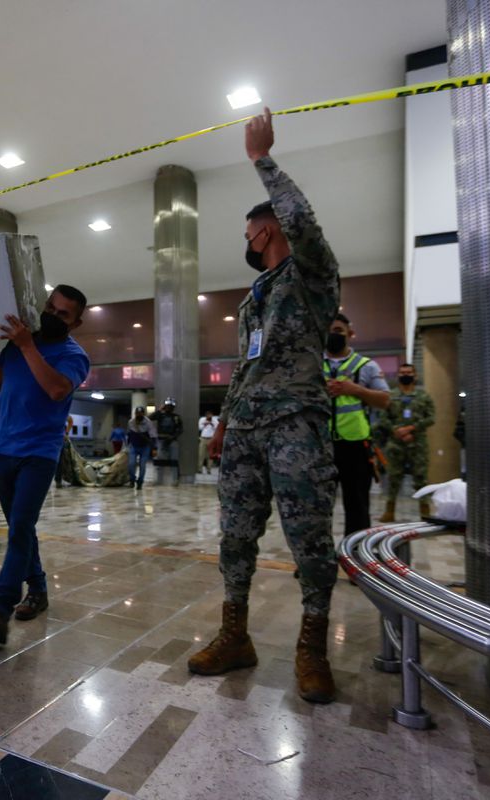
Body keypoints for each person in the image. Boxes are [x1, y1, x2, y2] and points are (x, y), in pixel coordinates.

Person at [188, 108, 340, 703]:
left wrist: (262, 159)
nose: (247, 242)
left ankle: (312, 648)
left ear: (267, 230)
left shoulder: (312, 275)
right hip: (248, 429)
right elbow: (245, 365)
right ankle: (235, 636)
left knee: (309, 539)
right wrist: (225, 423)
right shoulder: (254, 298)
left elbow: (303, 221)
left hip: (296, 423)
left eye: (250, 232)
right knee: (235, 535)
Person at [0, 284, 90, 644]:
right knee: (20, 528)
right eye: (51, 308)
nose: (52, 316)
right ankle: (38, 588)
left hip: (38, 454)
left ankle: (0, 608)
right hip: (2, 450)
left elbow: (56, 389)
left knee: (21, 527)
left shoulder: (74, 355)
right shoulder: (19, 343)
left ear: (76, 323)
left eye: (63, 314)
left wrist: (28, 346)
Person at [324, 313, 390, 534]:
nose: (333, 335)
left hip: (355, 446)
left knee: (358, 507)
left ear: (350, 334)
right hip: (319, 446)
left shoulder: (366, 366)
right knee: (317, 508)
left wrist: (355, 390)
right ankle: (318, 556)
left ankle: (355, 553)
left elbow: (385, 400)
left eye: (338, 331)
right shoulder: (311, 366)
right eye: (328, 331)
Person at [375, 364, 435, 521]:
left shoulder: (423, 396)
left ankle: (425, 513)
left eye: (409, 372)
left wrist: (411, 429)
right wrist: (396, 430)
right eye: (402, 372)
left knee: (421, 478)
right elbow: (383, 418)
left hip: (418, 443)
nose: (405, 375)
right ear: (398, 375)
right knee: (393, 478)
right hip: (395, 444)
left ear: (415, 376)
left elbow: (431, 418)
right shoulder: (390, 396)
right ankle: (389, 512)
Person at [126, 406, 156, 489]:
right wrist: (127, 446)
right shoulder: (131, 422)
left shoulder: (148, 423)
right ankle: (132, 479)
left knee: (142, 466)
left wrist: (154, 448)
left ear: (143, 414)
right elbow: (129, 434)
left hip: (145, 447)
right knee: (131, 464)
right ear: (135, 414)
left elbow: (153, 436)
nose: (139, 415)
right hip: (133, 446)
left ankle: (140, 482)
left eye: (141, 413)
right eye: (137, 413)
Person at [149, 398, 183, 463]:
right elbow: (149, 418)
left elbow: (180, 429)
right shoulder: (160, 415)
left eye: (170, 406)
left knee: (174, 460)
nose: (169, 408)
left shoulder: (176, 417)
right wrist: (159, 410)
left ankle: (173, 470)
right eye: (167, 406)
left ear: (173, 408)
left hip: (172, 440)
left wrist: (173, 437)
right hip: (161, 439)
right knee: (161, 459)